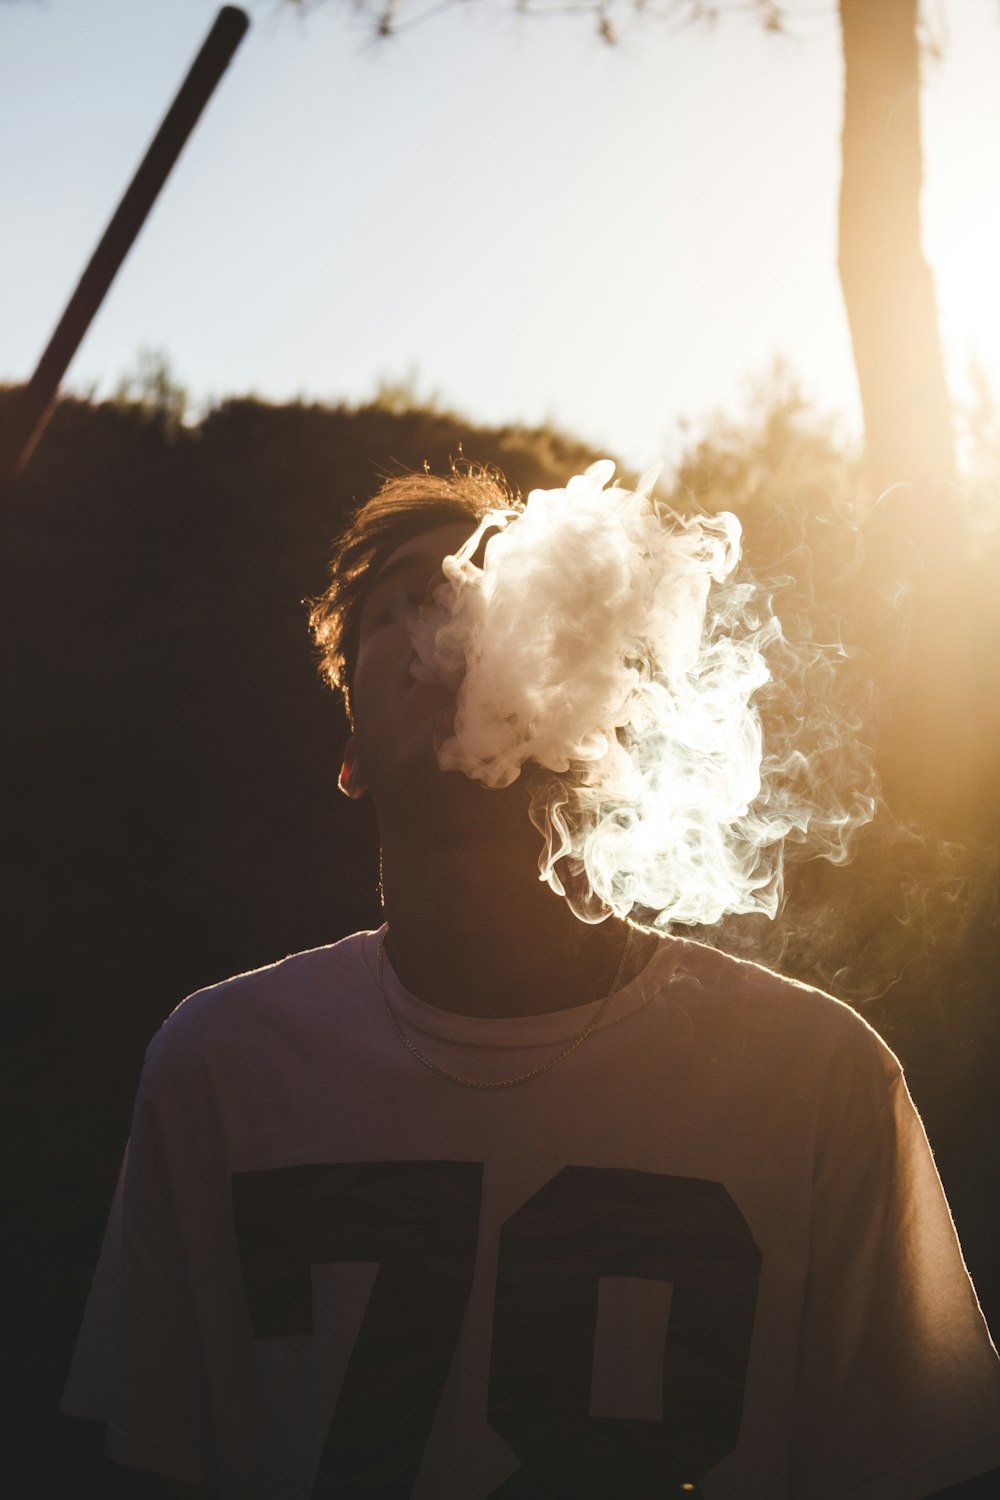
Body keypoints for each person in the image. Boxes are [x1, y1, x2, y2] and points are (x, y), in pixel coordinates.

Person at [63, 466, 1000, 1499]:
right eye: (404, 604)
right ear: (352, 753)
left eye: (495, 585)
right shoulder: (221, 1067)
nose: (452, 620)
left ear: (599, 709)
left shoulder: (820, 1082)